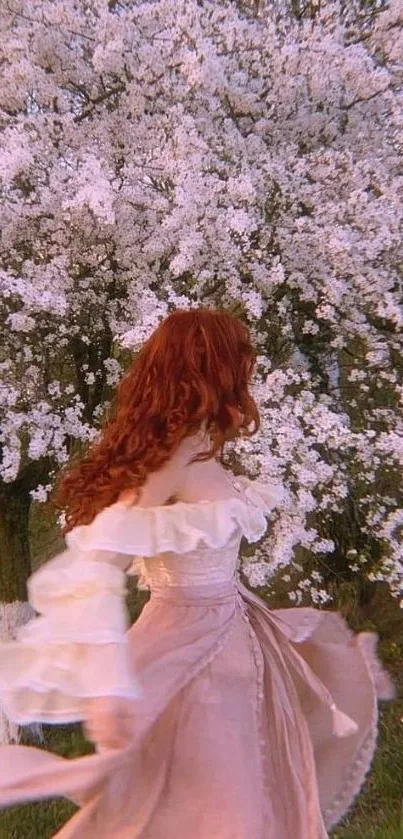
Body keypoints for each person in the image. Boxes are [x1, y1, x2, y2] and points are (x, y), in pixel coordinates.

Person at [0, 308, 395, 838]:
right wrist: (104, 677)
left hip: (235, 636)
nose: (250, 369)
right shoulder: (177, 454)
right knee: (209, 801)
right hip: (191, 653)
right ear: (215, 368)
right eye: (241, 358)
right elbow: (98, 559)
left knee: (243, 785)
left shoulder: (205, 445)